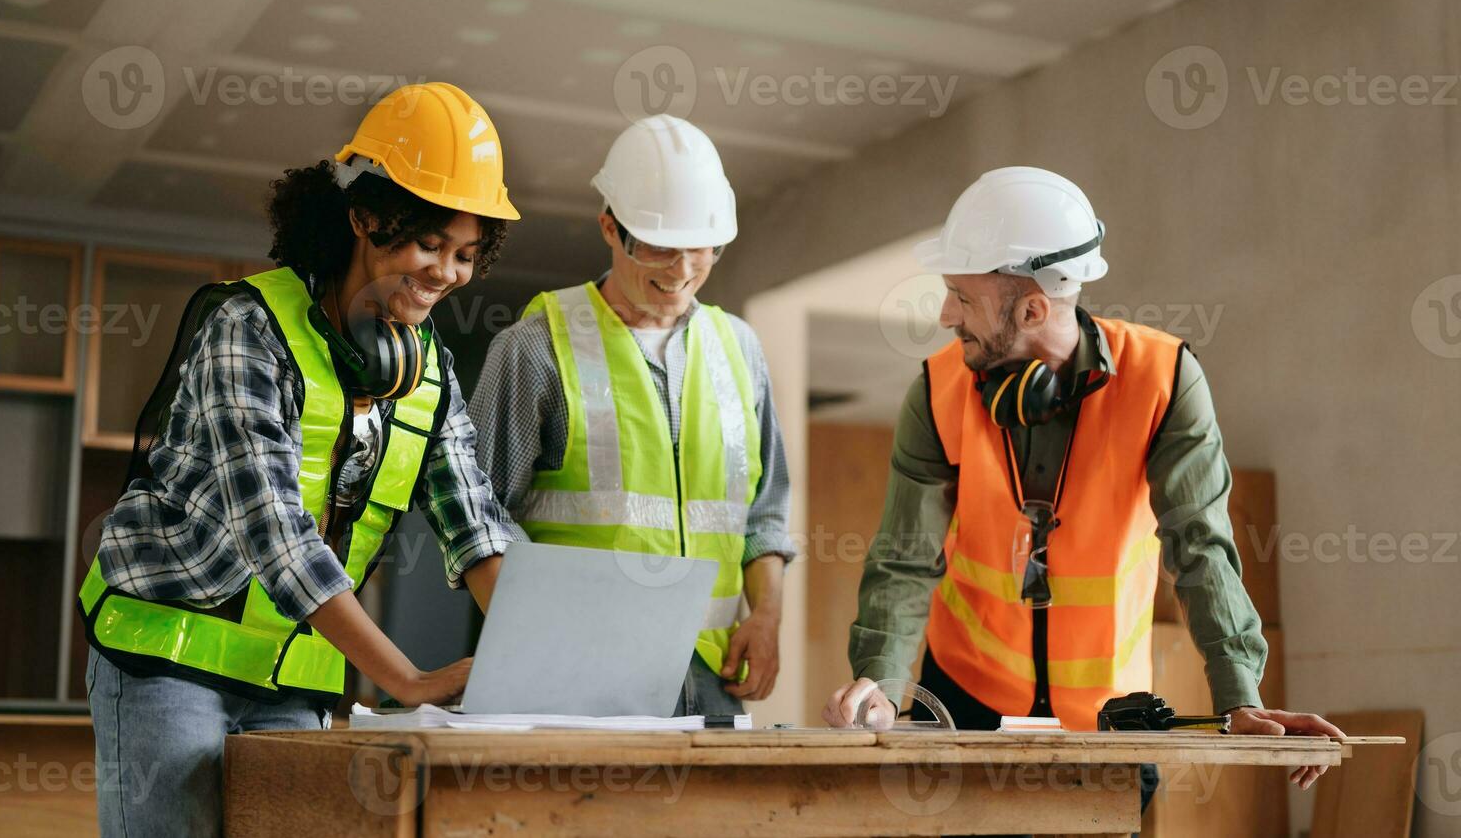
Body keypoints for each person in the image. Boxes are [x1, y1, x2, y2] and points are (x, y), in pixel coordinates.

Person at [821, 167, 1341, 815]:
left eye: (963, 297)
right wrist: (879, 677)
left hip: (1106, 720)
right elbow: (904, 556)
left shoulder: (1163, 380)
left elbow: (1200, 546)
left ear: (1034, 308)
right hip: (963, 702)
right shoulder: (937, 390)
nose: (945, 314)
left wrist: (1240, 698)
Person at [79, 83, 525, 837]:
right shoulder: (246, 327)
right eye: (428, 243)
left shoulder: (431, 371)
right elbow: (276, 532)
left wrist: (536, 660)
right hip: (168, 657)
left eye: (465, 255)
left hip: (295, 673)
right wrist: (407, 681)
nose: (446, 272)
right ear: (365, 218)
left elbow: (475, 526)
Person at [468, 114, 794, 715]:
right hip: (578, 676)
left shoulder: (739, 348)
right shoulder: (535, 347)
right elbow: (476, 520)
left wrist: (768, 615)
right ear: (609, 229)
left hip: (714, 675)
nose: (682, 269)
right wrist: (541, 639)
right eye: (660, 246)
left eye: (702, 247)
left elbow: (764, 510)